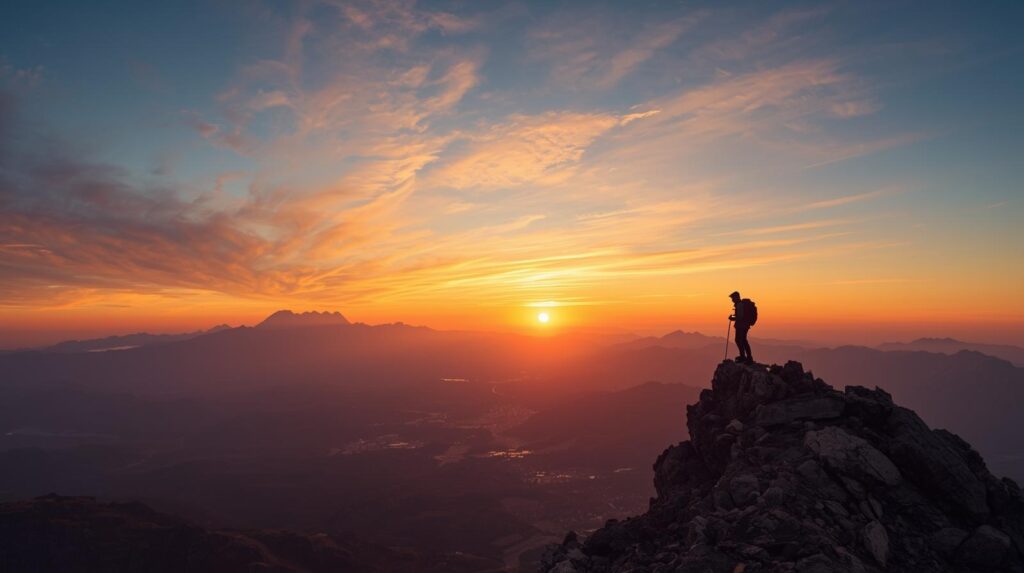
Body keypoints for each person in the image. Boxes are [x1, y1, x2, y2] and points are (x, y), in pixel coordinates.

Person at [729, 291, 755, 363]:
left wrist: (732, 318)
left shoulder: (739, 305)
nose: (732, 300)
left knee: (739, 340)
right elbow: (740, 315)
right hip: (745, 325)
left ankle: (743, 357)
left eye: (733, 298)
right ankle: (747, 357)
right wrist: (734, 316)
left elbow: (740, 317)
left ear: (736, 297)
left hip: (741, 326)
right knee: (743, 340)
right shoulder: (740, 304)